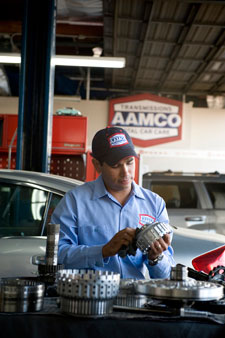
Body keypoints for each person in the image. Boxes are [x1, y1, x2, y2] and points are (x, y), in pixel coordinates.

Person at [51, 126, 175, 279]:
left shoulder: (154, 204)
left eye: (130, 162)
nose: (126, 172)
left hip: (133, 299)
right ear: (97, 165)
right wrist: (103, 251)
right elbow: (58, 255)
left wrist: (156, 258)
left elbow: (165, 275)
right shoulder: (74, 202)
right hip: (89, 297)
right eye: (115, 165)